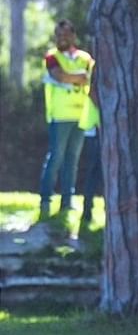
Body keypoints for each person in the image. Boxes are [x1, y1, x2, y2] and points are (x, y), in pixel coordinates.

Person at [38, 19, 94, 221]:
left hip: (80, 116)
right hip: (59, 117)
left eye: (65, 34)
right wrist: (78, 76)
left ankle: (67, 202)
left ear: (73, 35)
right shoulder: (52, 56)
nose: (62, 38)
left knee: (73, 160)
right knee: (56, 157)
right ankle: (45, 200)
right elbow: (59, 76)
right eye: (58, 35)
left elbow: (91, 77)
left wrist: (77, 76)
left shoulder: (85, 57)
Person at [77, 67, 102, 227]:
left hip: (98, 128)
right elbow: (92, 92)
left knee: (95, 172)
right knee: (94, 172)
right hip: (98, 128)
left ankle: (88, 212)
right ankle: (87, 212)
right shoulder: (101, 66)